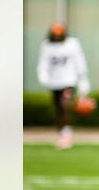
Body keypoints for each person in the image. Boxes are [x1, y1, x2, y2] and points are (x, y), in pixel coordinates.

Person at [36, 22, 91, 150]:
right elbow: (43, 62)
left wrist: (83, 78)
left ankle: (66, 134)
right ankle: (62, 133)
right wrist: (43, 75)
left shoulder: (72, 44)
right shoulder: (46, 46)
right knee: (59, 109)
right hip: (54, 82)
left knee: (64, 105)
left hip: (68, 81)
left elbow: (79, 61)